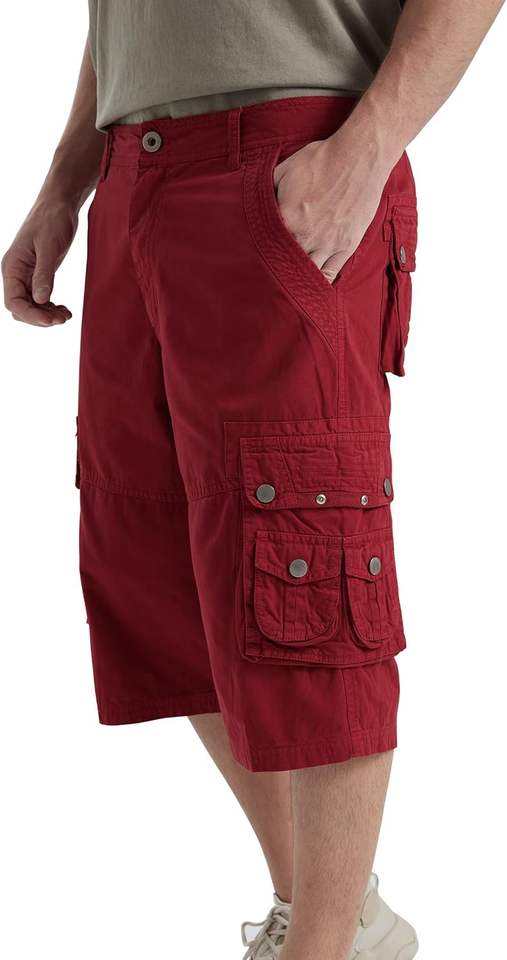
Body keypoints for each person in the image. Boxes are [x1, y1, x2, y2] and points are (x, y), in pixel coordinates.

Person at [2, 2, 504, 958]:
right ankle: (338, 922)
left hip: (289, 156)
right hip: (133, 172)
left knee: (309, 585)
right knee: (162, 579)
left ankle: (322, 946)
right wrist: (68, 180)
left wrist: (364, 152)